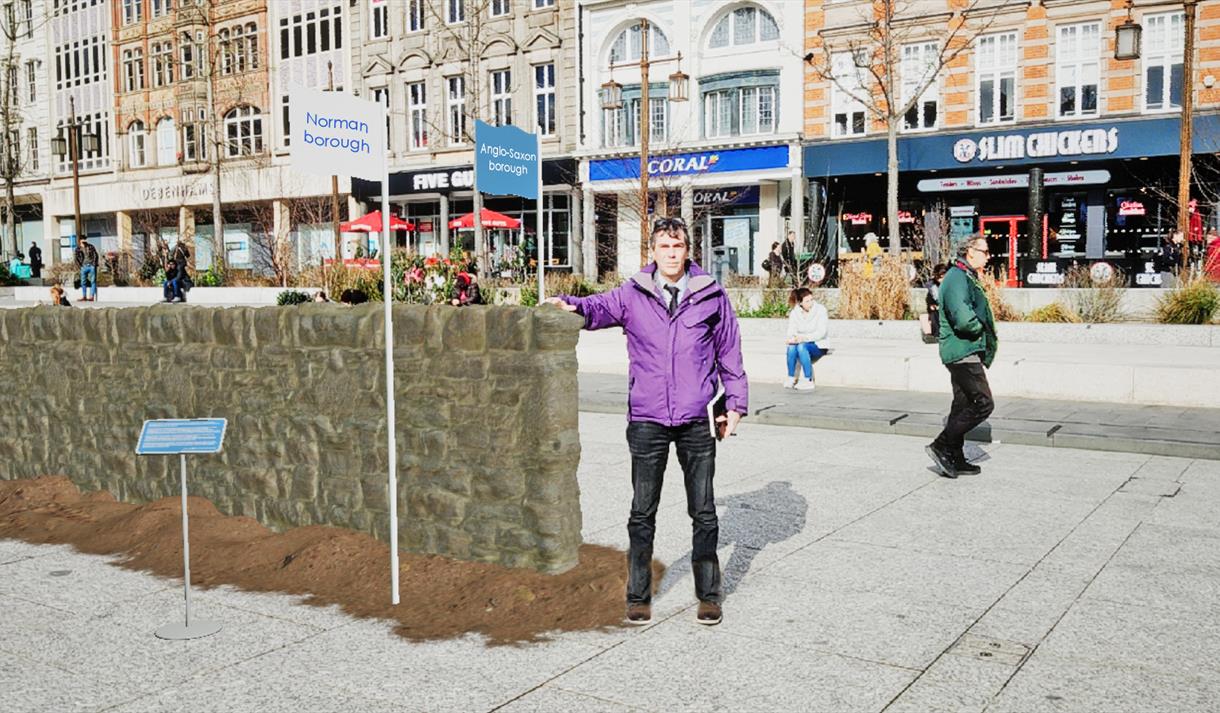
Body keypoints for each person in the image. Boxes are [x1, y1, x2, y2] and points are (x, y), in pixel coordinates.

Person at [545, 216, 747, 627]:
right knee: (642, 512)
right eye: (664, 247)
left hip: (697, 418)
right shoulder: (633, 294)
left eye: (678, 247)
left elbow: (729, 352)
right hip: (648, 419)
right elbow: (597, 308)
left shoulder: (711, 294)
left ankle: (708, 594)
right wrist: (570, 304)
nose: (672, 254)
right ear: (653, 252)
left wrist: (736, 405)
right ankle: (637, 596)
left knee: (704, 511)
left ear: (688, 250)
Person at [926, 236, 997, 479]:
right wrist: (980, 328)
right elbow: (963, 319)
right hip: (961, 351)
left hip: (965, 350)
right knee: (983, 403)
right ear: (970, 252)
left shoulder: (965, 276)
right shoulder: (957, 278)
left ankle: (954, 457)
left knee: (963, 404)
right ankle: (941, 444)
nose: (988, 256)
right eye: (984, 252)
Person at [784, 287, 828, 392]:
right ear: (800, 303)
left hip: (818, 344)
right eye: (807, 301)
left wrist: (804, 338)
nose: (811, 303)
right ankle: (791, 377)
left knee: (801, 346)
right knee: (791, 347)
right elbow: (791, 331)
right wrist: (793, 339)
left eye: (811, 300)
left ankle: (808, 379)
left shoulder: (820, 310)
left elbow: (821, 333)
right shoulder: (795, 313)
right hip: (800, 342)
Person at [924, 264, 949, 343]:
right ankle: (936, 334)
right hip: (936, 308)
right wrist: (932, 305)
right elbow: (930, 299)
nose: (941, 279)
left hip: (947, 307)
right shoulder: (933, 286)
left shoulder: (950, 284)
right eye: (940, 277)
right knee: (934, 314)